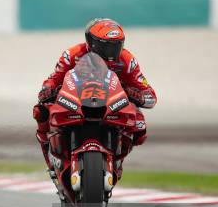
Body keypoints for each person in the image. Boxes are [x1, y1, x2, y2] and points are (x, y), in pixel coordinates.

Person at [33, 18, 158, 180]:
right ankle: (51, 160)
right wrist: (47, 91)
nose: (112, 52)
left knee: (139, 123)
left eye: (116, 46)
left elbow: (151, 97)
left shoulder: (128, 60)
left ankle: (118, 158)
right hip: (76, 100)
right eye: (106, 46)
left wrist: (137, 95)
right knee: (41, 111)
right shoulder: (72, 55)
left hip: (112, 103)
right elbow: (51, 80)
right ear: (91, 43)